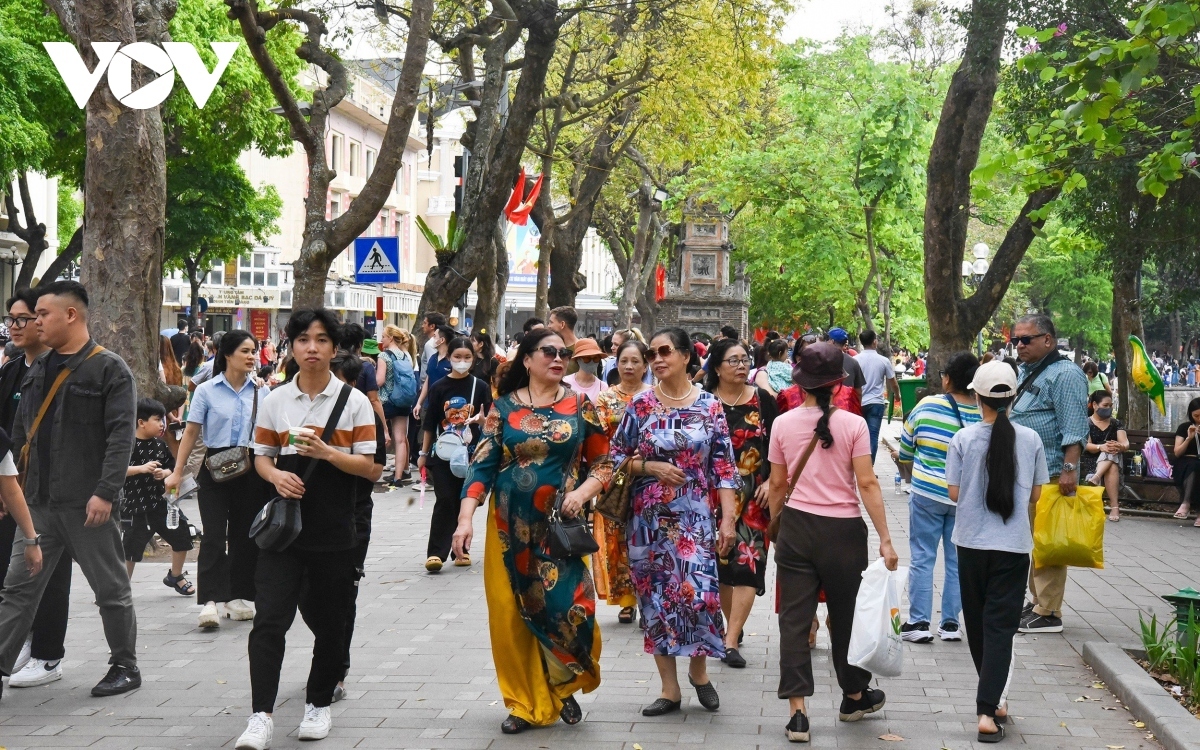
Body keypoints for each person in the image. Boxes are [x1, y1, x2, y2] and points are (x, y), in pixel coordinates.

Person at [451, 328, 612, 734]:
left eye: (564, 353)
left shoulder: (581, 406)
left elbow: (604, 465)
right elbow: (482, 466)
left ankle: (562, 680)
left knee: (572, 612)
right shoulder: (502, 409)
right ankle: (525, 702)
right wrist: (465, 518)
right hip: (507, 527)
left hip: (559, 527)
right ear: (527, 359)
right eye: (548, 352)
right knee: (511, 616)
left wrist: (583, 490)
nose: (559, 358)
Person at [235, 309, 378, 749]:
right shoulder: (276, 399)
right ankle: (261, 714)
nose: (311, 348)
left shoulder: (354, 402)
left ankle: (318, 702)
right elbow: (260, 455)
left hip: (334, 529)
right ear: (291, 347)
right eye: (302, 340)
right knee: (269, 622)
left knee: (331, 621)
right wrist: (275, 475)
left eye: (320, 340)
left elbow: (372, 469)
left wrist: (328, 452)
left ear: (335, 349)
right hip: (284, 530)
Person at [0, 280, 141, 699]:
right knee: (18, 590)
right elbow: (23, 432)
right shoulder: (37, 368)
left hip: (87, 504)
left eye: (42, 314)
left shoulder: (109, 368)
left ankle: (124, 666)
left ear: (71, 315)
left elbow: (121, 437)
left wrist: (105, 491)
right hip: (39, 504)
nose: (35, 321)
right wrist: (15, 491)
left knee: (110, 590)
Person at [766, 341, 898, 743]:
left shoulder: (783, 424)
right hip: (843, 532)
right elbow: (868, 483)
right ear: (839, 383)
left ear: (800, 382)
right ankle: (854, 694)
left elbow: (776, 484)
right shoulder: (854, 425)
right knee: (846, 615)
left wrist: (777, 528)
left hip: (797, 529)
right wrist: (886, 539)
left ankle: (798, 714)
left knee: (793, 619)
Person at [608, 327, 739, 718]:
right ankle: (669, 688)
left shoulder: (710, 406)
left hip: (695, 518)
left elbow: (725, 468)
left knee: (699, 597)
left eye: (664, 351)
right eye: (652, 354)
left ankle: (699, 673)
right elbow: (614, 458)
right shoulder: (641, 406)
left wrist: (728, 521)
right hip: (647, 520)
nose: (657, 359)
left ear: (685, 356)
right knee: (656, 599)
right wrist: (649, 466)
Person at [946, 360, 1049, 743]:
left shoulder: (963, 439)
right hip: (1013, 547)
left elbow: (954, 493)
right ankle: (991, 706)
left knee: (978, 625)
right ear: (1014, 396)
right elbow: (1036, 494)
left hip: (971, 544)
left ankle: (989, 706)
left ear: (977, 396)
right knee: (1000, 628)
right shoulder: (1032, 440)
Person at [297, 349, 386, 704]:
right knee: (305, 594)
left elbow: (376, 469)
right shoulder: (299, 413)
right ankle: (330, 652)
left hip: (351, 516)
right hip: (304, 519)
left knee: (341, 595)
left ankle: (335, 668)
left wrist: (330, 453)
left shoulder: (361, 413)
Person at [166, 330, 272, 628]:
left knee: (243, 534)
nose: (253, 357)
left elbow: (269, 432)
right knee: (213, 534)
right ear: (228, 354)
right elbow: (190, 432)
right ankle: (210, 600)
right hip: (215, 467)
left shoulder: (261, 390)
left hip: (250, 469)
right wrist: (177, 470)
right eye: (246, 351)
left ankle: (236, 596)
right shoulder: (207, 390)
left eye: (254, 351)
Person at [0, 287, 73, 691]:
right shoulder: (12, 370)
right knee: (14, 574)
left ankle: (48, 654)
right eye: (11, 318)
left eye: (24, 318)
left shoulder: (62, 371)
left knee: (50, 568)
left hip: (49, 491)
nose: (15, 326)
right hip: (13, 488)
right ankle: (23, 641)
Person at [1007, 314, 1088, 634]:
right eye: (1016, 340)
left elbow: (1074, 430)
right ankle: (1039, 599)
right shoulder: (1030, 370)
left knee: (1049, 542)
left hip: (1054, 473)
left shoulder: (1066, 374)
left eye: (1026, 339)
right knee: (1036, 540)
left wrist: (1069, 471)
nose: (1020, 345)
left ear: (1048, 340)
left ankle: (1049, 611)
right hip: (1030, 474)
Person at [897, 352, 981, 644]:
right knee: (957, 561)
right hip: (965, 499)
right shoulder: (984, 414)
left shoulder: (927, 405)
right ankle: (950, 624)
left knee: (922, 556)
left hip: (926, 494)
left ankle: (919, 621)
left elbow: (906, 452)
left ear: (947, 379)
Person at [704, 337, 777, 669]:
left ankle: (730, 640)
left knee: (749, 564)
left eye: (745, 359)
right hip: (711, 493)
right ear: (717, 367)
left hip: (754, 494)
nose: (742, 365)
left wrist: (773, 482)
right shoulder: (704, 402)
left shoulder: (762, 400)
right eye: (733, 360)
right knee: (721, 565)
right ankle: (731, 623)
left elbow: (778, 445)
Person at [418, 336, 491, 572]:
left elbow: (492, 422)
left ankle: (461, 551)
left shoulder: (480, 387)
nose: (462, 361)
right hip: (443, 454)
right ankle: (435, 553)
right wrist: (423, 453)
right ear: (449, 357)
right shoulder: (439, 387)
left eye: (467, 357)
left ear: (474, 358)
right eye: (457, 357)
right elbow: (429, 423)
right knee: (445, 499)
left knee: (465, 502)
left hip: (472, 454)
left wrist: (483, 420)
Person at [591, 339, 652, 624]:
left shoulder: (655, 397)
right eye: (623, 361)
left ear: (645, 365)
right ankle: (626, 600)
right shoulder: (605, 399)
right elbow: (598, 440)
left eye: (635, 361)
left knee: (646, 540)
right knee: (617, 540)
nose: (628, 366)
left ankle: (647, 597)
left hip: (649, 478)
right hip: (615, 479)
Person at [122, 398, 194, 592]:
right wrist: (141, 469)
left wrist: (165, 474)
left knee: (182, 535)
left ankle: (175, 575)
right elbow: (116, 469)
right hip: (136, 507)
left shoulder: (160, 445)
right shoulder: (127, 445)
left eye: (163, 419)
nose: (163, 424)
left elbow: (172, 467)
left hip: (162, 505)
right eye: (158, 419)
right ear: (141, 422)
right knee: (130, 549)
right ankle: (121, 587)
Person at [377, 325, 417, 487]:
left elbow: (379, 381)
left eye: (384, 336)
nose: (382, 339)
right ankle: (398, 478)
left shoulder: (383, 356)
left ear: (391, 338)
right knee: (400, 439)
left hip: (386, 401)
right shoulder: (405, 356)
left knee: (380, 436)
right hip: (403, 401)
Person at [1082, 390, 1127, 523]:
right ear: (1095, 405)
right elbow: (1086, 445)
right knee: (1109, 454)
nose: (1109, 408)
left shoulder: (1116, 423)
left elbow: (1125, 443)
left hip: (1114, 460)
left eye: (1110, 405)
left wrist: (1120, 446)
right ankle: (1115, 507)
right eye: (1105, 405)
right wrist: (1101, 447)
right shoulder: (1086, 422)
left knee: (1112, 451)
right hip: (1091, 461)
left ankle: (1096, 477)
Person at [856, 330, 899, 463]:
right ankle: (870, 468)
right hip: (876, 403)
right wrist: (897, 395)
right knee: (872, 437)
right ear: (875, 341)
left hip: (858, 402)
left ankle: (858, 468)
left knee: (857, 438)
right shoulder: (884, 361)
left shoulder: (855, 360)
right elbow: (893, 382)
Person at [341, 324, 389, 434]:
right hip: (361, 421)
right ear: (360, 345)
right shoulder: (366, 367)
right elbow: (374, 400)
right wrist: (385, 429)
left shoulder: (330, 365)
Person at [412, 324, 456, 421]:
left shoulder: (452, 361)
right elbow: (428, 380)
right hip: (429, 405)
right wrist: (419, 403)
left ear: (442, 340)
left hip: (447, 408)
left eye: (435, 336)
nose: (432, 338)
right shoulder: (433, 358)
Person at [1172, 397, 1200, 524]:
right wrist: (1189, 438)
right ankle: (1186, 503)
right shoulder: (1184, 427)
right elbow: (1177, 452)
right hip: (1185, 463)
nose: (1199, 419)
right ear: (1190, 414)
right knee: (1194, 466)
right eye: (1196, 416)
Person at [825, 328, 865, 415]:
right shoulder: (853, 362)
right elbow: (858, 392)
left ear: (832, 341)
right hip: (847, 410)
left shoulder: (822, 360)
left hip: (825, 409)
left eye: (827, 339)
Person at [563, 337, 605, 403]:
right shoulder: (565, 382)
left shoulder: (602, 387)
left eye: (596, 358)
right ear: (578, 359)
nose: (592, 362)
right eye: (587, 358)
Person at [548, 306, 580, 374]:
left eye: (551, 322)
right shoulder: (549, 348)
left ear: (562, 324)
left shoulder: (582, 349)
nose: (549, 326)